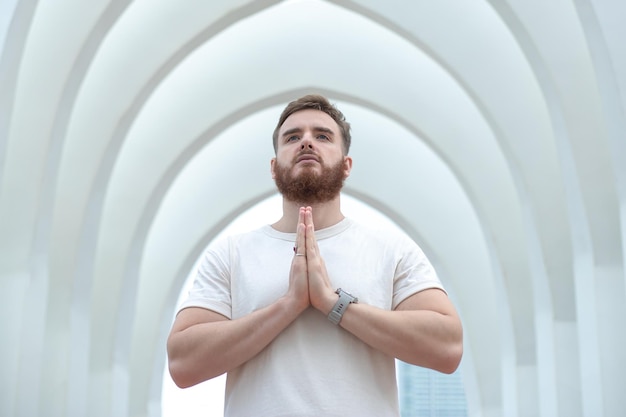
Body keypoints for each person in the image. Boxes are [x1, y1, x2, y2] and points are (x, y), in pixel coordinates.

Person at [167, 94, 463, 416]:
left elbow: (447, 347)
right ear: (273, 166)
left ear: (346, 165)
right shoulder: (231, 254)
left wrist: (332, 302)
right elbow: (183, 363)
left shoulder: (391, 250)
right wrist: (289, 305)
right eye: (293, 137)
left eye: (322, 136)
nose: (306, 142)